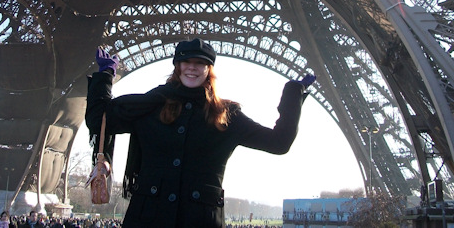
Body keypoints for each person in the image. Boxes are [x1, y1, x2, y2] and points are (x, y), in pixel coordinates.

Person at [85, 38, 316, 228]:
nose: (192, 67)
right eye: (186, 61)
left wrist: (293, 95)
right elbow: (99, 120)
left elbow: (279, 142)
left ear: (209, 69)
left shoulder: (228, 115)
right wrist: (105, 75)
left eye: (200, 62)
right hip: (149, 220)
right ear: (178, 66)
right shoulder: (150, 106)